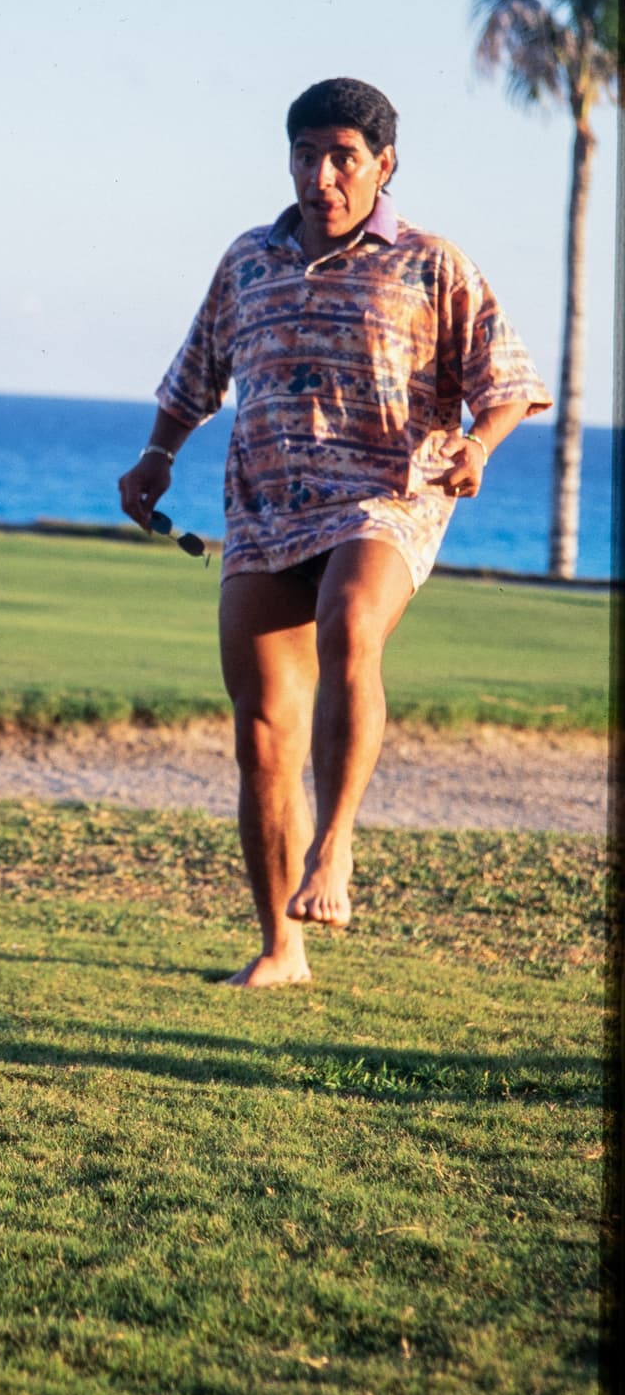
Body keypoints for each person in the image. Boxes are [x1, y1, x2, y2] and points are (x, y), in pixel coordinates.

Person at [117, 78, 551, 989]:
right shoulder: (249, 259)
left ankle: (336, 845)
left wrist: (478, 444)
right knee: (264, 730)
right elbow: (195, 374)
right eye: (307, 153)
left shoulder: (432, 263)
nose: (323, 174)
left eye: (343, 156)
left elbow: (506, 382)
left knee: (350, 624)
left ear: (383, 166)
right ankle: (281, 949)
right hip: (265, 507)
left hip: (387, 495)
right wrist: (157, 460)